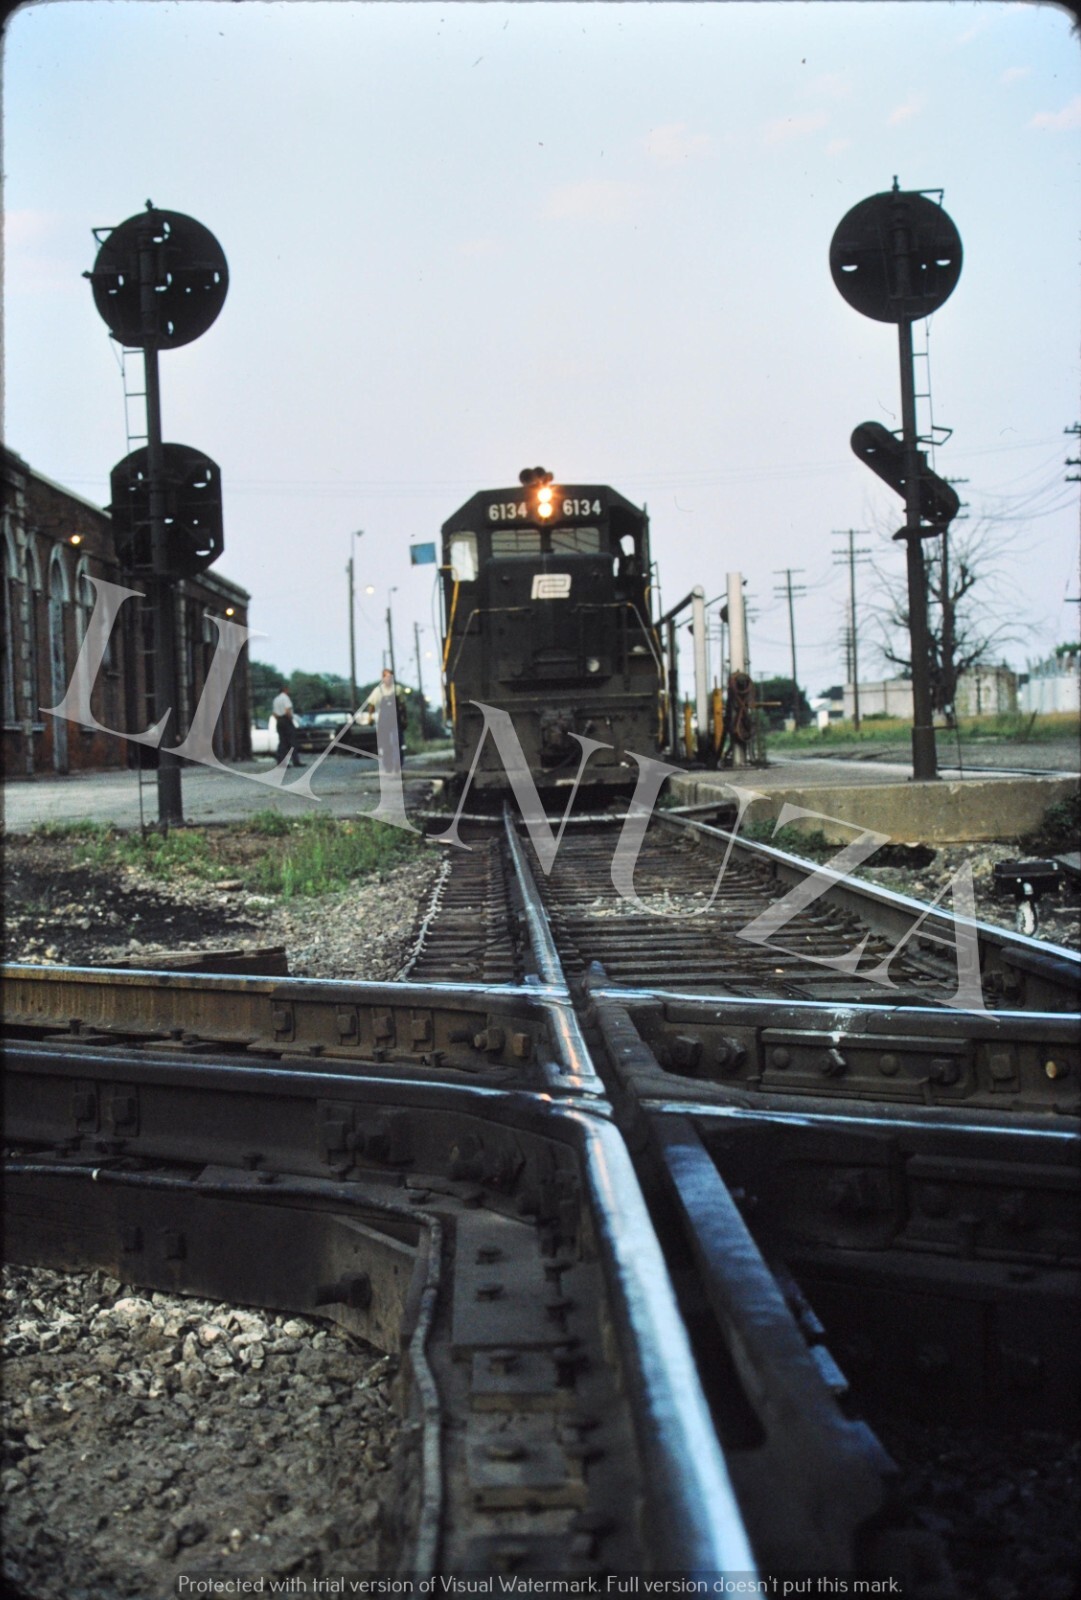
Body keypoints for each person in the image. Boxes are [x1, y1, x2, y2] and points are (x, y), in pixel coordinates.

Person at [272, 684, 304, 767]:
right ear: (285, 690)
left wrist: (279, 720)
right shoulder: (285, 698)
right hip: (286, 720)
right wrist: (290, 719)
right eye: (288, 690)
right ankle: (296, 761)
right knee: (292, 741)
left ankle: (281, 762)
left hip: (279, 721)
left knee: (282, 742)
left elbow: (274, 713)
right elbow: (287, 710)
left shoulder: (276, 699)